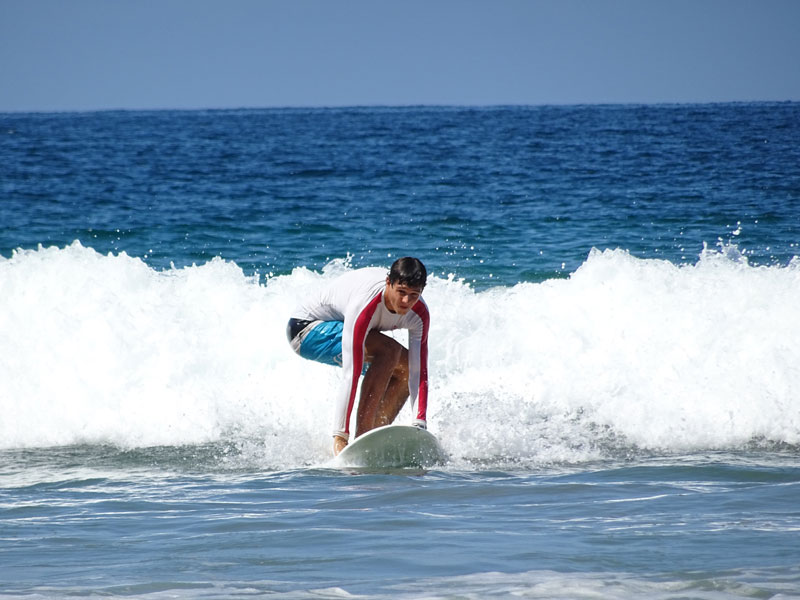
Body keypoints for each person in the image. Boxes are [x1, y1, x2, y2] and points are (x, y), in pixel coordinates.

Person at [286, 257, 430, 456]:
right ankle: (360, 439)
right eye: (401, 292)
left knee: (405, 366)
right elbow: (350, 375)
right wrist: (340, 436)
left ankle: (375, 437)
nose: (406, 301)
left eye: (414, 295)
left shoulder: (419, 314)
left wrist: (419, 423)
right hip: (306, 330)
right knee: (388, 352)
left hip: (336, 327)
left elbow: (418, 371)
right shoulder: (365, 304)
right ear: (388, 283)